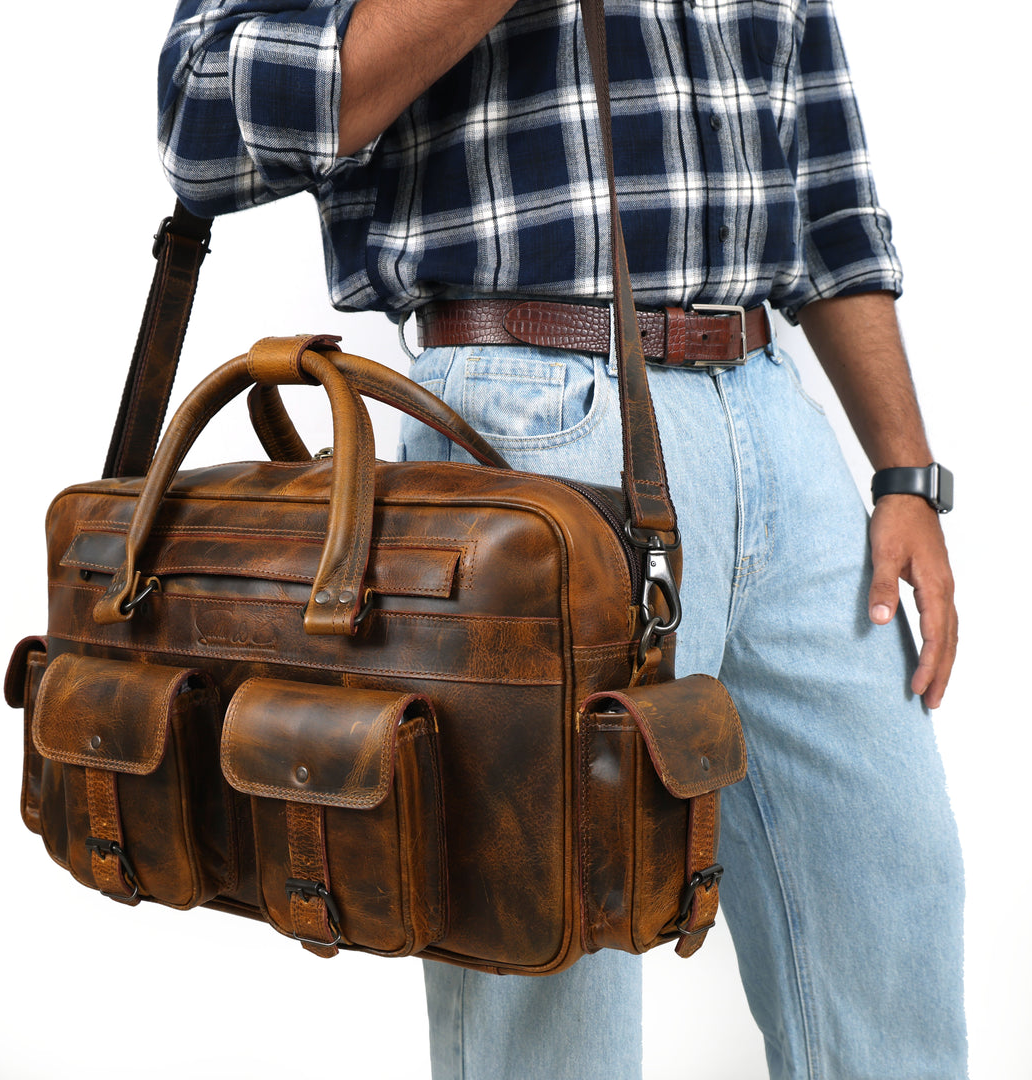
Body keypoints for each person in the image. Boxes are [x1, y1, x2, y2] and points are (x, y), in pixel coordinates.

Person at [158, 2, 966, 1077]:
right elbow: (201, 118)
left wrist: (903, 471)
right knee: (548, 972)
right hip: (532, 423)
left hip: (775, 404)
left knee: (890, 888)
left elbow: (824, 177)